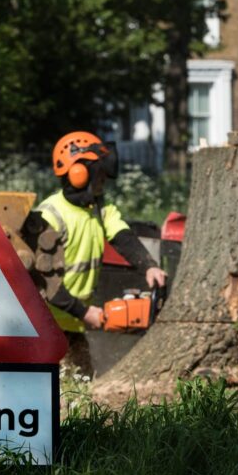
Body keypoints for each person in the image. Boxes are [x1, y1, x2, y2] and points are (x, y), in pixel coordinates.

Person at [36, 132, 167, 377]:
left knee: (83, 383)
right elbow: (45, 282)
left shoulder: (99, 208)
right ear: (79, 173)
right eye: (100, 174)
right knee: (62, 391)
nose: (103, 180)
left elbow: (122, 237)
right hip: (48, 323)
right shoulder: (51, 216)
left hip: (74, 320)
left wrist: (148, 265)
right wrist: (85, 312)